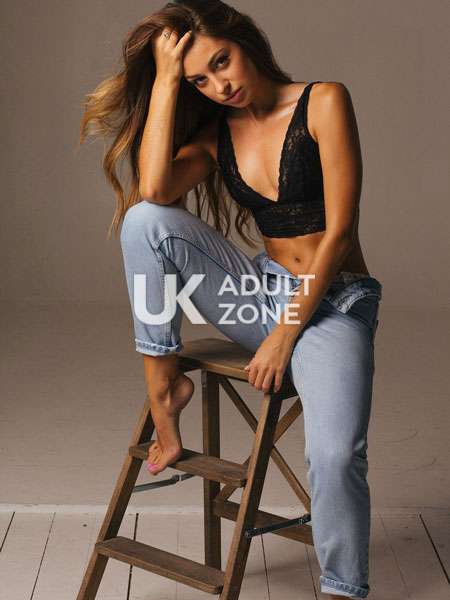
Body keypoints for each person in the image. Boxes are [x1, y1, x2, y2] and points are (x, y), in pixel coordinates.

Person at [79, 1, 383, 597]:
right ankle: (164, 386)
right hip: (257, 295)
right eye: (200, 79)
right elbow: (154, 190)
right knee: (145, 220)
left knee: (337, 455)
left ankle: (343, 589)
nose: (219, 85)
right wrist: (166, 81)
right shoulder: (218, 134)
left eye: (221, 62)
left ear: (245, 41)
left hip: (333, 306)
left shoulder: (323, 101)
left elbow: (340, 233)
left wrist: (284, 334)